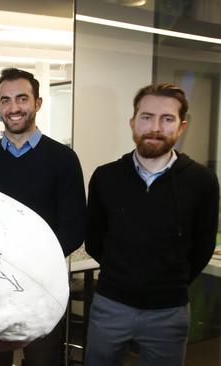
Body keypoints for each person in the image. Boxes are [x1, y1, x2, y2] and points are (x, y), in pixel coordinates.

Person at [85, 83, 219, 365]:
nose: (155, 127)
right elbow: (95, 240)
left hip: (168, 311)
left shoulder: (202, 182)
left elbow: (202, 247)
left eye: (167, 119)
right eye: (146, 117)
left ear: (181, 127)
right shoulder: (106, 177)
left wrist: (169, 282)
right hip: (111, 305)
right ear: (133, 123)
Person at [0, 67, 86, 366]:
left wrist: (26, 264)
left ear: (38, 103)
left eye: (22, 98)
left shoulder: (63, 160)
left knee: (43, 361)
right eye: (6, 100)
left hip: (43, 286)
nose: (14, 108)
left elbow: (74, 227)